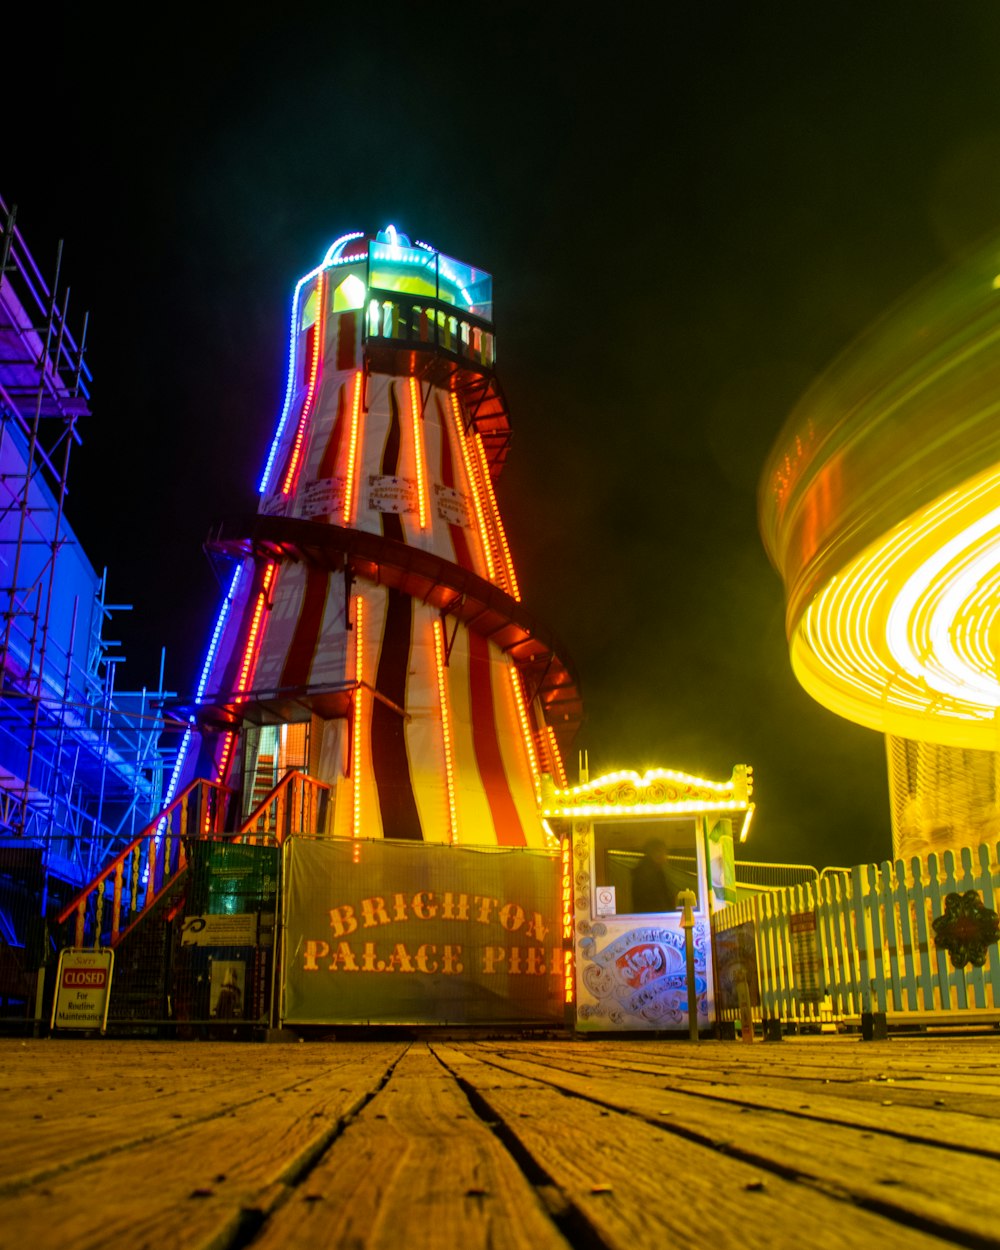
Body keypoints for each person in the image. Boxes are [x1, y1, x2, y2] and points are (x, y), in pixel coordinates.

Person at [631, 838, 681, 913]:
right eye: (663, 852)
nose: (665, 856)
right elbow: (657, 902)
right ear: (654, 853)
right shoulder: (648, 874)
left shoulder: (654, 872)